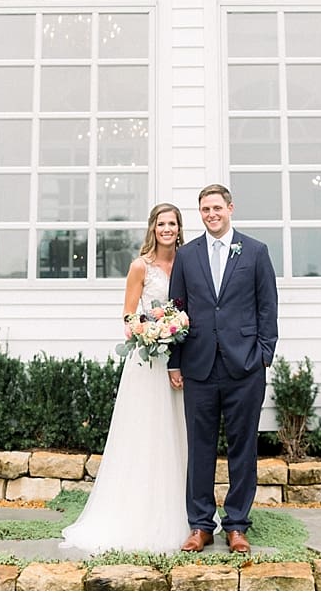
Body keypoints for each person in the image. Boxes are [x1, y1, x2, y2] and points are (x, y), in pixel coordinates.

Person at [60, 203, 190, 554]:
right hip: (147, 364)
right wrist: (153, 332)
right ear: (153, 228)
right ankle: (136, 513)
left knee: (176, 433)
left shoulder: (188, 262)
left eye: (172, 223)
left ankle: (181, 512)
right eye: (161, 223)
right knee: (145, 434)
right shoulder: (140, 266)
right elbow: (129, 317)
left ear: (179, 228)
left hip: (179, 363)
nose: (167, 229)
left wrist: (175, 330)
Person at [167, 183, 278, 554]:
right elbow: (177, 309)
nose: (211, 214)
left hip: (245, 366)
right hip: (199, 366)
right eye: (205, 209)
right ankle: (200, 525)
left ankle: (237, 525)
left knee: (242, 449)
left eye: (217, 208)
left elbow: (267, 306)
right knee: (199, 450)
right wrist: (174, 361)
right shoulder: (187, 255)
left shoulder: (256, 251)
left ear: (230, 208)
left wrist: (264, 354)